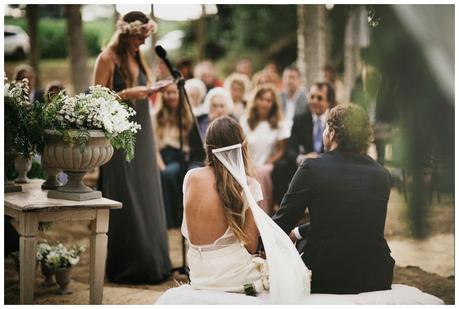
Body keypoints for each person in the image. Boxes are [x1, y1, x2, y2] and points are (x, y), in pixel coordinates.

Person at [272, 103, 395, 294]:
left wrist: (257, 243)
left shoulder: (312, 168)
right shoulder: (382, 174)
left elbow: (282, 222)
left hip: (326, 275)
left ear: (331, 133)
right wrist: (298, 231)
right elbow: (352, 220)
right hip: (375, 274)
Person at [92, 11, 171, 283]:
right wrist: (127, 94)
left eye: (145, 38)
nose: (141, 43)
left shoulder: (137, 57)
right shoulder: (107, 58)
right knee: (127, 196)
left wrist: (151, 89)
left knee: (147, 192)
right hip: (119, 135)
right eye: (138, 38)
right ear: (126, 34)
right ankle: (128, 266)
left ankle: (153, 263)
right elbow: (96, 100)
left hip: (144, 132)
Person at [271, 82, 336, 206]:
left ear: (329, 102)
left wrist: (320, 159)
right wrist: (302, 158)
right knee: (280, 166)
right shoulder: (300, 119)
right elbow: (289, 148)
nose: (314, 101)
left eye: (319, 98)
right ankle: (282, 208)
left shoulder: (334, 121)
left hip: (327, 164)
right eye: (312, 97)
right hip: (304, 164)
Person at [240, 85, 290, 214]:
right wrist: (248, 165)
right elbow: (242, 147)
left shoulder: (279, 123)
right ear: (256, 100)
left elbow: (281, 150)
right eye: (261, 99)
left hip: (268, 164)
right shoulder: (245, 121)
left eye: (268, 100)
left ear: (273, 104)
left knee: (260, 174)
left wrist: (269, 161)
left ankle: (262, 215)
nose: (264, 103)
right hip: (248, 163)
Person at [152, 82, 194, 228]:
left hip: (182, 157)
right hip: (163, 157)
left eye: (174, 92)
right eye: (167, 92)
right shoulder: (156, 116)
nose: (170, 96)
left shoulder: (187, 116)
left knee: (174, 175)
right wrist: (161, 166)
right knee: (164, 174)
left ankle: (179, 218)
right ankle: (168, 220)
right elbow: (154, 148)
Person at [187, 87, 234, 169]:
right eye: (214, 106)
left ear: (227, 108)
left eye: (222, 106)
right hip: (201, 161)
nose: (218, 110)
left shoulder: (233, 123)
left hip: (225, 162)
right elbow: (194, 147)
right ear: (209, 106)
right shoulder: (199, 121)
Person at [279, 65, 308, 130]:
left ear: (299, 80)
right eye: (286, 77)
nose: (288, 81)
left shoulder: (306, 99)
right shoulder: (279, 97)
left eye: (292, 78)